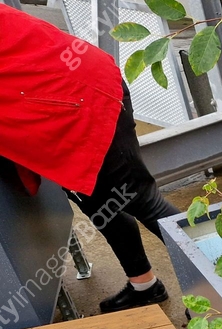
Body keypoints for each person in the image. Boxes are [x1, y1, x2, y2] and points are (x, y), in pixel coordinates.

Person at [0, 5, 177, 312]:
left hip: (82, 97)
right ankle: (145, 285)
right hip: (54, 104)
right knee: (97, 201)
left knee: (139, 198)